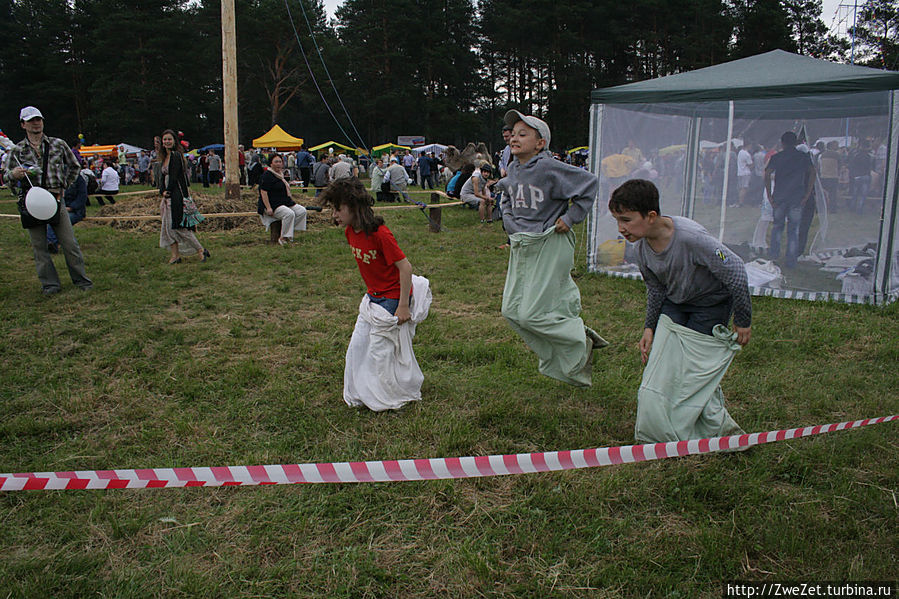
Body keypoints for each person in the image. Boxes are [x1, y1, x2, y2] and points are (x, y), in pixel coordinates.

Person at [608, 179, 750, 443]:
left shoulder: (693, 239)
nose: (621, 228)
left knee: (692, 374)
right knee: (663, 366)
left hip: (711, 304)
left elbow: (736, 269)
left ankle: (713, 430)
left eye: (626, 220)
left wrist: (742, 320)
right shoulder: (640, 249)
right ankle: (662, 431)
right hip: (675, 302)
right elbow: (656, 289)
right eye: (617, 220)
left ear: (651, 216)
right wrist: (649, 327)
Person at [496, 109, 606, 387]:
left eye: (524, 134)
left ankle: (579, 339)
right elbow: (507, 192)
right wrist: (509, 221)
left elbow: (589, 184)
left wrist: (570, 219)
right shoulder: (513, 168)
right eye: (513, 134)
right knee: (511, 311)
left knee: (531, 313)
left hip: (549, 241)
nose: (515, 139)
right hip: (523, 244)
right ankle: (563, 354)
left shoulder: (549, 167)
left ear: (540, 142)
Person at [318, 178, 431, 411]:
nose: (334, 215)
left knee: (379, 352)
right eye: (332, 210)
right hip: (373, 297)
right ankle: (360, 392)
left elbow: (405, 267)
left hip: (391, 298)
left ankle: (386, 399)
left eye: (338, 209)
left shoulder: (380, 234)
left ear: (354, 207)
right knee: (358, 346)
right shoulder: (350, 231)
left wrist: (403, 306)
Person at [4, 106, 92, 294]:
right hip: (31, 203)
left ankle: (82, 281)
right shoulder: (17, 151)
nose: (36, 123)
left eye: (38, 119)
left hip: (55, 199)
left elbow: (75, 167)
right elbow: (5, 177)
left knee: (70, 244)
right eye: (31, 120)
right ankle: (50, 285)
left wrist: (64, 186)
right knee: (40, 247)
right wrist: (14, 174)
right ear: (23, 125)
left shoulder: (58, 144)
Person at [158, 129, 209, 264]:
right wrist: (162, 191)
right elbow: (162, 176)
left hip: (177, 196)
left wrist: (168, 191)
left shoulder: (176, 156)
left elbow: (174, 176)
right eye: (165, 139)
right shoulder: (164, 157)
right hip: (167, 196)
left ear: (174, 141)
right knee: (168, 228)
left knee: (179, 227)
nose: (167, 142)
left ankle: (200, 250)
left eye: (169, 139)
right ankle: (175, 256)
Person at [764, 131, 815, 268]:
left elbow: (767, 173)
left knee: (777, 227)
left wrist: (769, 194)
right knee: (794, 230)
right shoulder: (803, 157)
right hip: (797, 198)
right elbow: (813, 172)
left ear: (782, 142)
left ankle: (774, 257)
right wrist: (807, 193)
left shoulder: (777, 157)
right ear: (796, 142)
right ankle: (791, 261)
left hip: (780, 197)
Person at [257, 153, 307, 245]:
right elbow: (263, 193)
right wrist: (268, 208)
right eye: (276, 162)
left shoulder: (281, 175)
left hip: (284, 202)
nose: (278, 164)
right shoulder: (267, 175)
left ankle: (288, 231)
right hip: (273, 204)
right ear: (271, 164)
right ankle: (283, 238)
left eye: (280, 161)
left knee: (302, 211)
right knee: (289, 214)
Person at [46, 168, 89, 254]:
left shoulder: (79, 180)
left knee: (59, 221)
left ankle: (52, 243)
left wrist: (71, 207)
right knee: (51, 220)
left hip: (76, 211)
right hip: (61, 208)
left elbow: (82, 197)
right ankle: (51, 243)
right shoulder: (59, 179)